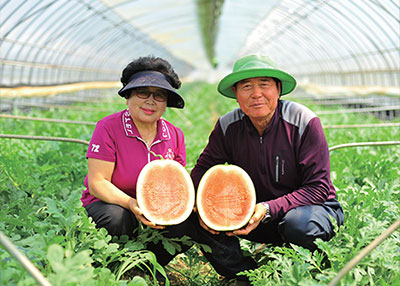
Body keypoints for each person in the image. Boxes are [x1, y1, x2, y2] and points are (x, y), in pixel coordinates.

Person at [190, 54, 344, 282]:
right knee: (192, 218)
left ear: (278, 89)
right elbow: (201, 172)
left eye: (264, 84)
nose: (256, 94)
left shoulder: (304, 121)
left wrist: (268, 208)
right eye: (246, 86)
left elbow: (319, 189)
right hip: (253, 217)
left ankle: (300, 273)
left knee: (298, 225)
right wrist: (198, 206)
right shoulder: (227, 127)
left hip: (310, 211)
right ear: (235, 94)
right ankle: (245, 274)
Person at [80, 55, 193, 269]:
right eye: (143, 92)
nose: (150, 101)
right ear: (129, 96)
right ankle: (113, 265)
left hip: (155, 211)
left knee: (186, 223)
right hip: (113, 205)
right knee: (116, 217)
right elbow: (97, 182)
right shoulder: (108, 127)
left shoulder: (175, 135)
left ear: (166, 103)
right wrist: (131, 204)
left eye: (159, 96)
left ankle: (150, 265)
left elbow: (176, 185)